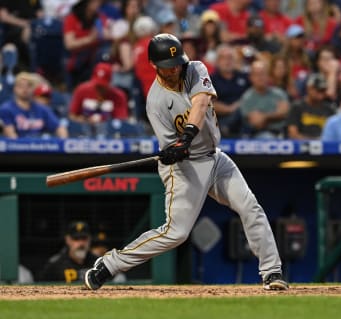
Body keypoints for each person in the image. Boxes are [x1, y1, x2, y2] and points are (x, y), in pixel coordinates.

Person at [84, 33, 289, 291]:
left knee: (250, 206)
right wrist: (173, 150)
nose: (175, 69)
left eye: (178, 63)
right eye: (169, 67)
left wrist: (187, 136)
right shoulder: (155, 102)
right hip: (183, 168)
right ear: (154, 66)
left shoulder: (194, 69)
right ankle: (111, 264)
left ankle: (271, 272)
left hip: (214, 158)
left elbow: (201, 102)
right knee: (176, 233)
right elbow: (172, 148)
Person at [68, 62, 129, 137]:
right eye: (97, 85)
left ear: (110, 83)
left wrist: (104, 124)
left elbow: (121, 121)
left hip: (109, 134)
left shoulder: (118, 96)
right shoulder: (81, 90)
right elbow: (72, 116)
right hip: (84, 133)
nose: (100, 89)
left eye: (102, 86)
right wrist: (85, 120)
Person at [0, 72, 68, 139]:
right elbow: (11, 135)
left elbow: (59, 128)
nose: (25, 89)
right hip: (17, 147)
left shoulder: (42, 109)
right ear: (15, 88)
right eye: (21, 86)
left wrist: (62, 144)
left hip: (41, 146)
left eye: (28, 86)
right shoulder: (6, 109)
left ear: (33, 89)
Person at [239, 59, 290, 139]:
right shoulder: (247, 97)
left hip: (282, 132)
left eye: (263, 74)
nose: (260, 77)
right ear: (251, 77)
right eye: (257, 74)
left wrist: (265, 117)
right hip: (257, 135)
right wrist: (276, 115)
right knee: (266, 137)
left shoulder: (279, 93)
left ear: (268, 76)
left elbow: (284, 112)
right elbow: (256, 123)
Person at [286, 73, 336, 139]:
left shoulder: (329, 109)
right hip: (302, 146)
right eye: (318, 90)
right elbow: (293, 134)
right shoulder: (297, 107)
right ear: (309, 89)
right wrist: (314, 142)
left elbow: (335, 134)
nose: (321, 93)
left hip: (325, 146)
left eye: (323, 90)